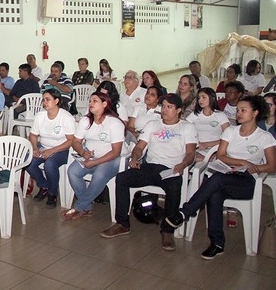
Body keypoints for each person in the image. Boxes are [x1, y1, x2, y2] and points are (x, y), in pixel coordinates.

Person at [165, 95, 276, 260]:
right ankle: (217, 244)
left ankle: (185, 212)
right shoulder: (231, 131)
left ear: (255, 113)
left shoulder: (264, 137)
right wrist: (241, 162)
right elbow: (222, 155)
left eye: (243, 110)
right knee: (215, 193)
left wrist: (251, 167)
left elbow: (272, 166)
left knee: (216, 180)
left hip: (247, 181)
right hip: (227, 174)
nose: (238, 113)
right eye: (238, 110)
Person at [100, 94, 197, 252]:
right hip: (151, 166)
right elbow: (139, 147)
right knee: (122, 178)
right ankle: (122, 223)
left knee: (174, 187)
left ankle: (167, 230)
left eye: (169, 107)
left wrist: (183, 164)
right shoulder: (153, 124)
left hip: (171, 169)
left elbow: (191, 153)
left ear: (179, 110)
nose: (164, 110)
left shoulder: (187, 127)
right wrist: (135, 157)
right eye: (163, 106)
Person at [63, 92, 124, 220]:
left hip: (112, 159)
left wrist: (94, 163)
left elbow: (116, 151)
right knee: (72, 172)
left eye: (94, 101)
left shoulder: (114, 123)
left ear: (105, 104)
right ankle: (87, 207)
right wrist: (83, 152)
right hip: (90, 156)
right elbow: (76, 142)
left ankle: (78, 207)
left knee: (99, 175)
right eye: (90, 100)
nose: (90, 103)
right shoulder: (85, 121)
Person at [26, 89, 76, 208]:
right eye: (43, 100)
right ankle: (44, 186)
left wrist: (52, 151)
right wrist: (34, 148)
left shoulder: (65, 117)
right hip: (43, 147)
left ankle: (53, 193)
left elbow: (71, 141)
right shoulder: (40, 115)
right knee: (27, 161)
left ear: (56, 100)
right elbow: (33, 135)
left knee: (50, 164)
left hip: (62, 149)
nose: (45, 102)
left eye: (48, 99)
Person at [186, 87, 230, 161]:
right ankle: (207, 160)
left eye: (203, 97)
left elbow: (229, 137)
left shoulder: (220, 115)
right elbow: (184, 129)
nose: (200, 100)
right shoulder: (194, 115)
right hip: (197, 148)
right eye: (199, 98)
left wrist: (207, 144)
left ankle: (208, 160)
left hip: (215, 149)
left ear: (212, 98)